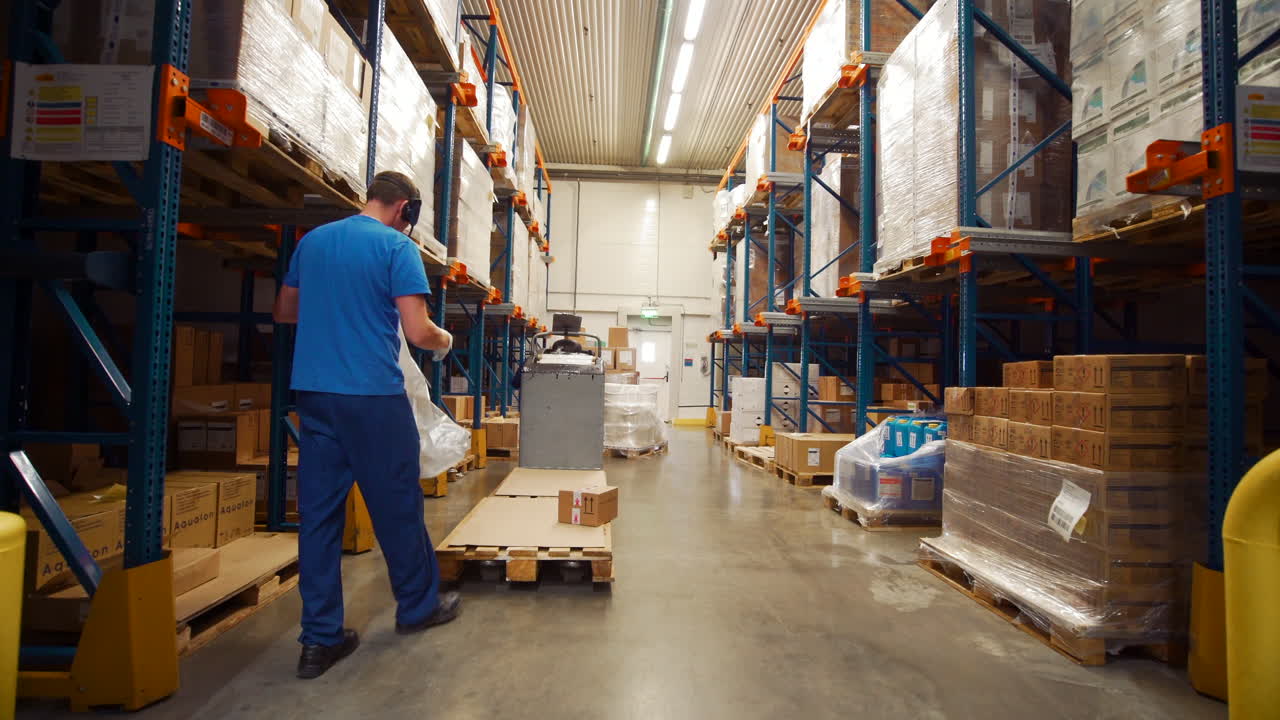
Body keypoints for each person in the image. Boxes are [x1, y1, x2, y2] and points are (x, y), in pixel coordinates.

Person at [273, 170, 461, 680]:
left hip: (314, 395)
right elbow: (418, 332)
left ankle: (319, 640)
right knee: (397, 506)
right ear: (405, 210)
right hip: (373, 398)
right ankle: (418, 609)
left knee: (318, 518)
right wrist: (444, 341)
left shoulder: (313, 242)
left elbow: (285, 311)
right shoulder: (396, 249)